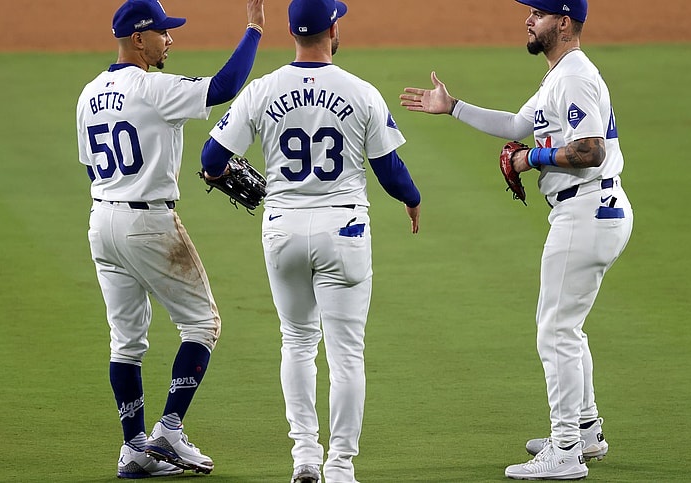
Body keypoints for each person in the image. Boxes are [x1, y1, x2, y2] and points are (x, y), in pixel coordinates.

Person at [400, 0, 632, 479]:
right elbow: (515, 126)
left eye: (540, 13)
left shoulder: (574, 77)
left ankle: (565, 451)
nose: (529, 19)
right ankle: (584, 430)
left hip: (587, 209)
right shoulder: (558, 75)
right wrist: (453, 107)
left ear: (563, 23)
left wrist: (532, 160)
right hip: (591, 209)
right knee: (568, 326)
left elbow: (591, 150)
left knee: (556, 332)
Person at [200, 1, 421, 481]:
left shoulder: (263, 89)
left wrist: (222, 174)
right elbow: (390, 170)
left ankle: (304, 457)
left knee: (297, 342)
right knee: (346, 354)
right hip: (344, 230)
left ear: (293, 32)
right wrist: (412, 198)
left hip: (282, 228)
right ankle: (339, 466)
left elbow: (211, 155)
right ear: (333, 28)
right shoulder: (359, 91)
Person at [75, 0, 265, 478]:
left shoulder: (88, 93)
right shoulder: (153, 87)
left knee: (126, 343)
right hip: (148, 223)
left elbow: (88, 164)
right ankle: (170, 430)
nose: (169, 39)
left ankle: (135, 450)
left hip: (102, 221)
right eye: (162, 32)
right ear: (138, 39)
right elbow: (223, 87)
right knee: (203, 325)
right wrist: (254, 29)